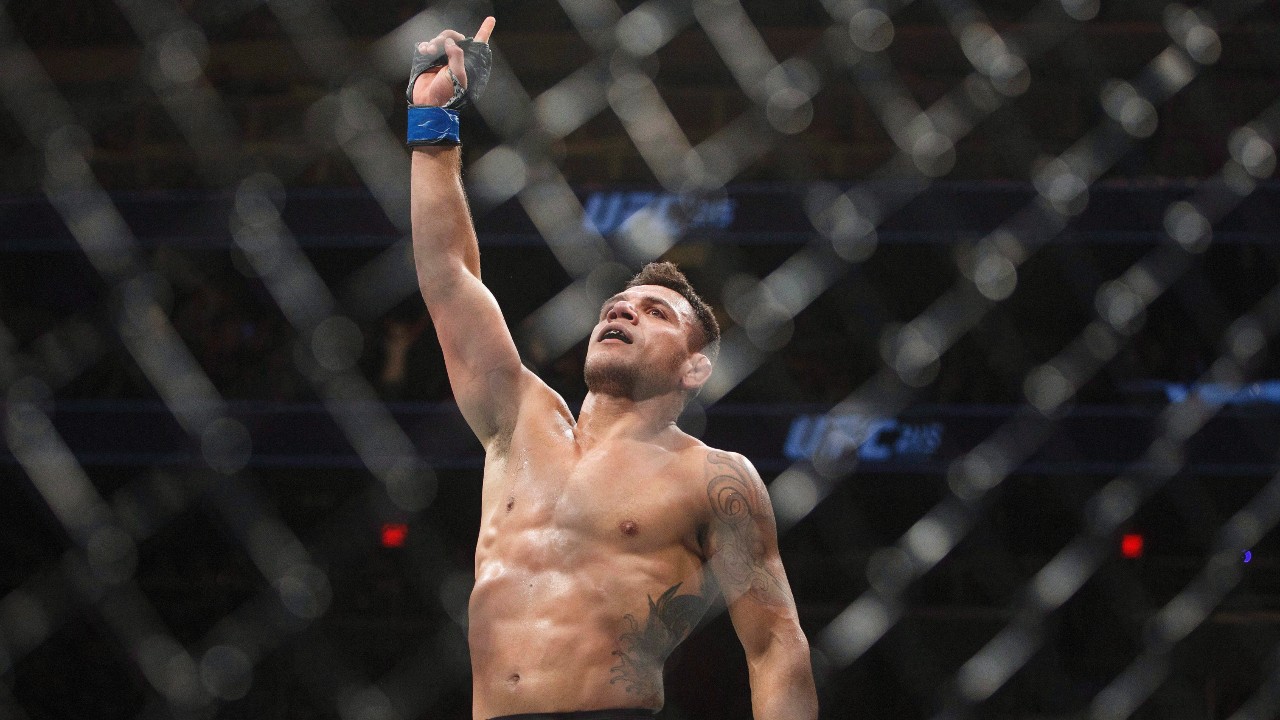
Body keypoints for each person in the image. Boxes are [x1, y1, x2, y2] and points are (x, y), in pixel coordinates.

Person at [407, 17, 818, 720]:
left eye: (656, 313)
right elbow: (449, 277)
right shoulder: (519, 421)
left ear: (694, 368)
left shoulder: (712, 477)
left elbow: (775, 643)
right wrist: (431, 122)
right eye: (619, 304)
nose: (622, 312)